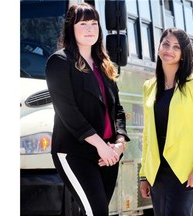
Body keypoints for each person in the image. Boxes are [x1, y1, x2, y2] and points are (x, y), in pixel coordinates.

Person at [45, 3, 129, 216]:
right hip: (75, 152)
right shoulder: (59, 62)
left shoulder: (104, 64)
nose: (90, 29)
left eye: (94, 23)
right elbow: (68, 112)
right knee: (97, 212)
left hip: (108, 153)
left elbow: (117, 109)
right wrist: (101, 146)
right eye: (83, 23)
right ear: (71, 28)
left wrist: (119, 145)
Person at [139, 28, 193, 216]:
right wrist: (143, 174)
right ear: (158, 48)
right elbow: (147, 135)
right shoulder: (149, 86)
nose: (169, 50)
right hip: (157, 170)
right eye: (165, 44)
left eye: (176, 47)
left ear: (183, 54)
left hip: (184, 169)